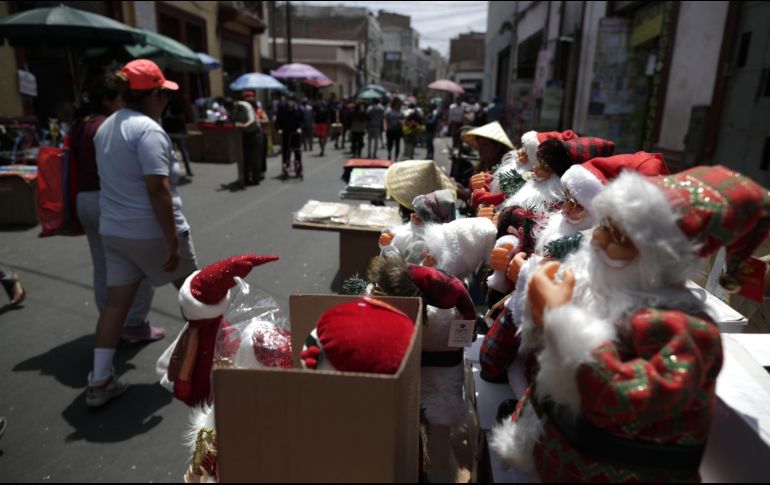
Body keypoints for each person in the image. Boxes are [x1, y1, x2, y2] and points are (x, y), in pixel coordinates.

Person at [88, 59, 199, 407]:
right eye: (164, 95)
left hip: (115, 231)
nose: (165, 101)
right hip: (150, 231)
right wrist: (172, 239)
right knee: (198, 296)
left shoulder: (106, 127)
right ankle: (211, 363)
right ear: (153, 95)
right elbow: (157, 189)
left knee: (115, 307)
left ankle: (99, 380)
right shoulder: (148, 131)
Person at [71, 73, 161, 343]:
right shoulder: (109, 126)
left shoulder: (81, 124)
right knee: (139, 267)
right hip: (109, 201)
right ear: (109, 100)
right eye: (122, 96)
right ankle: (133, 323)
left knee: (102, 266)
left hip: (85, 200)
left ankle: (111, 321)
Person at [232, 91, 263, 187]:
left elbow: (252, 120)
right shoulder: (236, 109)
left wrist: (244, 125)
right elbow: (234, 120)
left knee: (255, 157)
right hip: (245, 134)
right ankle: (245, 178)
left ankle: (256, 178)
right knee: (245, 157)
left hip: (255, 133)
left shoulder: (246, 106)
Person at [162, 95, 193, 177]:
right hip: (169, 132)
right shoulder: (164, 107)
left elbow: (182, 118)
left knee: (183, 151)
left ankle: (188, 169)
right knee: (169, 153)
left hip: (178, 132)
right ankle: (169, 171)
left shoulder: (176, 106)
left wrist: (184, 131)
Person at [275, 95, 304, 180]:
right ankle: (285, 168)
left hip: (296, 132)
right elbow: (278, 119)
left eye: (292, 101)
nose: (291, 103)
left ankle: (298, 168)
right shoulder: (282, 108)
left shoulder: (298, 109)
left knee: (297, 150)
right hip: (286, 132)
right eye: (289, 101)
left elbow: (303, 120)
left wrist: (300, 128)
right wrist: (279, 129)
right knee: (286, 151)